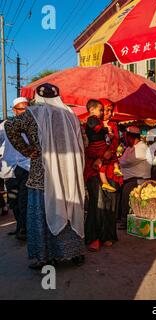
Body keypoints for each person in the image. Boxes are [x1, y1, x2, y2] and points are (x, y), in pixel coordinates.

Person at [5, 83, 86, 269]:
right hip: (69, 174)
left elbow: (10, 126)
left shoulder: (33, 114)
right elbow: (85, 141)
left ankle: (46, 257)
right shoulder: (71, 115)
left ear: (38, 97)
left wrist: (27, 150)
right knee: (70, 208)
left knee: (42, 213)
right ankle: (73, 253)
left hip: (42, 174)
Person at [0, 97, 31, 240]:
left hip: (26, 167)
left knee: (23, 200)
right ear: (14, 110)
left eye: (27, 108)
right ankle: (20, 225)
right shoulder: (5, 125)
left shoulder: (32, 125)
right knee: (13, 201)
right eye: (21, 109)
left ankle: (24, 229)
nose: (24, 111)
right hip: (10, 169)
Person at [84, 100, 123, 193]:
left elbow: (115, 144)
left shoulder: (113, 125)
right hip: (93, 167)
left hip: (109, 168)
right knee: (97, 199)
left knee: (111, 201)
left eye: (111, 111)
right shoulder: (91, 122)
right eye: (106, 110)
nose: (109, 113)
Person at [118, 126, 152, 230]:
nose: (125, 139)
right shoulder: (130, 147)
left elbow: (125, 162)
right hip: (128, 178)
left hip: (139, 180)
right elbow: (122, 160)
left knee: (126, 194)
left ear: (132, 137)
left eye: (126, 137)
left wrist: (118, 161)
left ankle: (125, 221)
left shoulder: (142, 148)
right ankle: (121, 217)